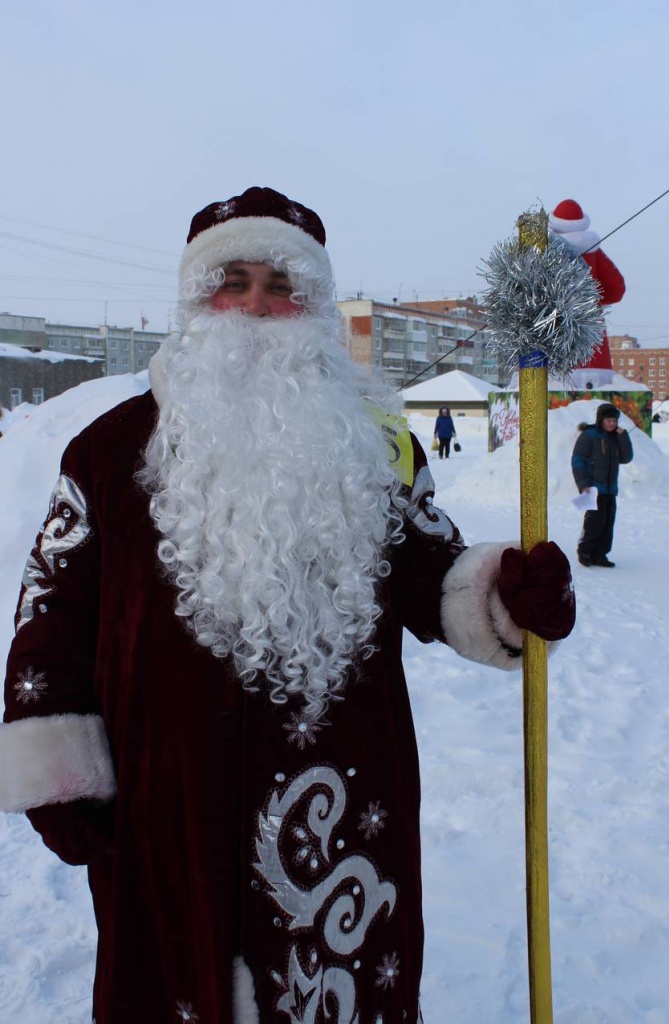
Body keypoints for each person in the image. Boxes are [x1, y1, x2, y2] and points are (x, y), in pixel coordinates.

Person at [0, 186, 576, 1024]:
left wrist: (504, 594)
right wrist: (59, 769)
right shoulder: (107, 449)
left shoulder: (379, 447)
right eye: (233, 280)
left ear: (315, 306)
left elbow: (432, 568)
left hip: (340, 811)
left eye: (283, 283)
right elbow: (51, 613)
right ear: (197, 300)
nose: (257, 304)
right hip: (164, 806)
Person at [549, 199, 625, 386]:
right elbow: (617, 288)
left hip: (553, 333)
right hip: (594, 345)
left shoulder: (546, 252)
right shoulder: (593, 251)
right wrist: (594, 302)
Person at [572, 402, 634, 568]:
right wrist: (583, 483)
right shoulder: (589, 435)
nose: (612, 424)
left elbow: (626, 458)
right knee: (594, 522)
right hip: (594, 488)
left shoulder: (616, 437)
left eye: (614, 420)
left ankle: (600, 554)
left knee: (607, 524)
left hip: (610, 489)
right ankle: (585, 551)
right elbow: (578, 459)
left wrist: (623, 437)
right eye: (609, 420)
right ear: (601, 420)